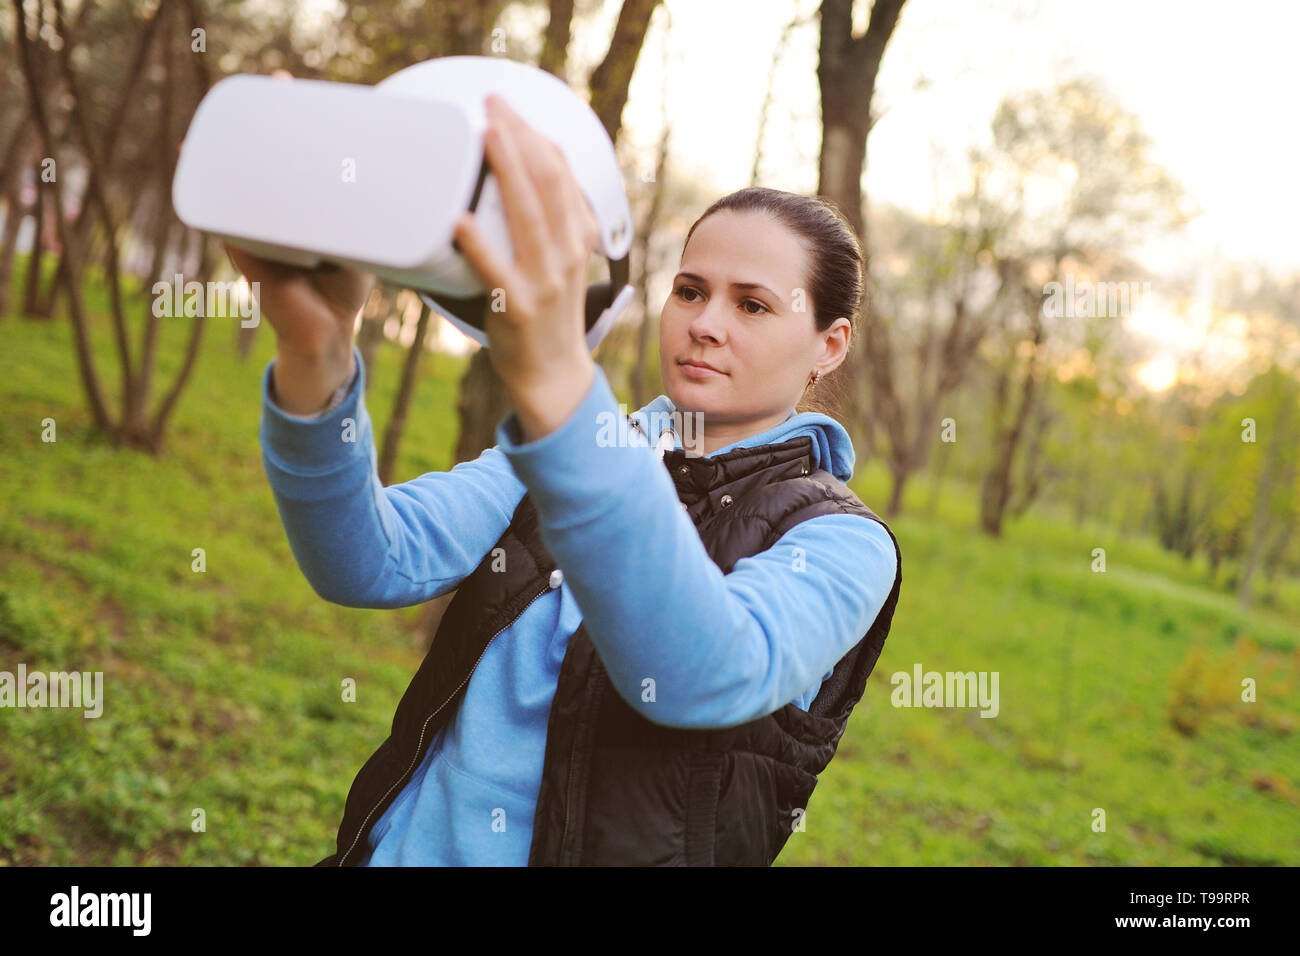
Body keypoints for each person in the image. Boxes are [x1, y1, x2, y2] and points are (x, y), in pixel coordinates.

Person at [231, 92, 902, 866]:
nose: (705, 323)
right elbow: (368, 559)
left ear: (830, 344)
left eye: (753, 305)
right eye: (690, 290)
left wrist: (553, 376)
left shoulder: (844, 543)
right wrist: (316, 350)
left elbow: (701, 674)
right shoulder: (566, 448)